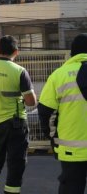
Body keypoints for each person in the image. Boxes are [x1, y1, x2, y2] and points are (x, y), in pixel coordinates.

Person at [0, 35, 37, 194]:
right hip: (16, 123)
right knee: (16, 163)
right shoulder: (19, 71)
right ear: (16, 52)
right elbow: (31, 101)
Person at [38, 33, 87, 194]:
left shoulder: (59, 75)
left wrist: (52, 137)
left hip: (71, 150)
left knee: (71, 188)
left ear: (72, 53)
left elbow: (46, 112)